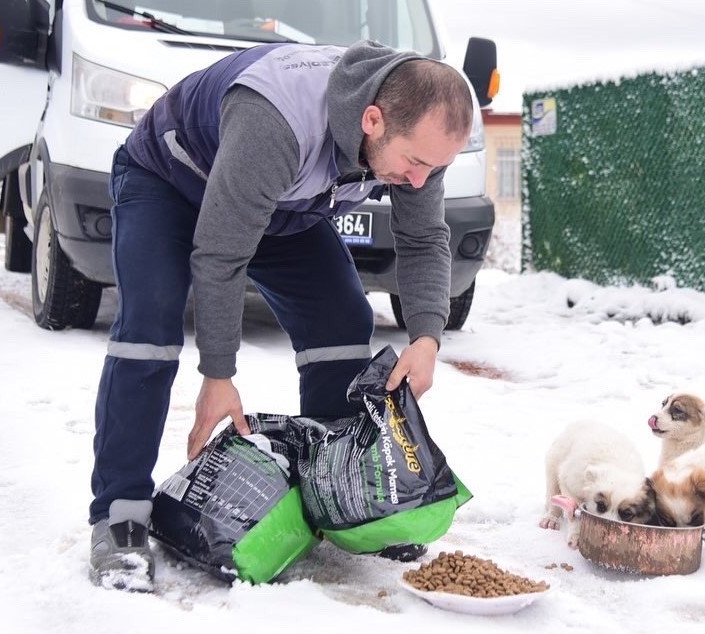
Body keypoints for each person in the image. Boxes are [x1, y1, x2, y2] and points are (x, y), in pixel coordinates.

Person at [87, 39, 474, 591]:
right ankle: (120, 515)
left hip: (276, 205)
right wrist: (218, 375)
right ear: (371, 119)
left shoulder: (417, 130)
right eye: (414, 163)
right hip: (170, 182)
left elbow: (423, 238)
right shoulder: (277, 118)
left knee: (341, 317)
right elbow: (222, 252)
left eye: (433, 169)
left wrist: (427, 336)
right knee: (149, 329)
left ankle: (339, 493)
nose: (419, 181)